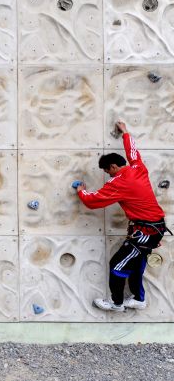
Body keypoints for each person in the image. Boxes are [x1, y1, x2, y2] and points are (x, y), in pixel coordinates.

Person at [76, 121, 171, 312]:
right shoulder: (138, 168)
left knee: (117, 266)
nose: (107, 175)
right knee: (136, 263)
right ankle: (138, 299)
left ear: (112, 166)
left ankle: (116, 304)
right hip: (153, 228)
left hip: (145, 231)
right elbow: (133, 154)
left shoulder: (118, 183)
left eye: (107, 171)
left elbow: (93, 201)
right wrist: (125, 133)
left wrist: (81, 192)